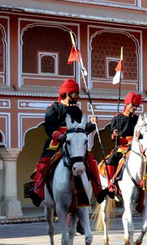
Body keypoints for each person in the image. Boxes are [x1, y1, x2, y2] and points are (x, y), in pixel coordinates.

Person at [29, 78, 101, 206]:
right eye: (76, 94)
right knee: (45, 162)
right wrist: (58, 135)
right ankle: (38, 189)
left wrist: (91, 124)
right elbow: (49, 126)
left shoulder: (77, 111)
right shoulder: (53, 108)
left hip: (75, 143)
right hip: (57, 141)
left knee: (91, 160)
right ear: (68, 94)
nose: (78, 96)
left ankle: (99, 189)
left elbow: (81, 130)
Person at [106, 91, 143, 195]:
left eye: (136, 106)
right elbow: (113, 137)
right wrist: (115, 134)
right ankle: (111, 183)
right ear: (126, 104)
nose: (134, 108)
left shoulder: (138, 119)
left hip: (136, 146)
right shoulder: (117, 118)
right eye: (133, 105)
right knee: (112, 159)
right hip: (122, 146)